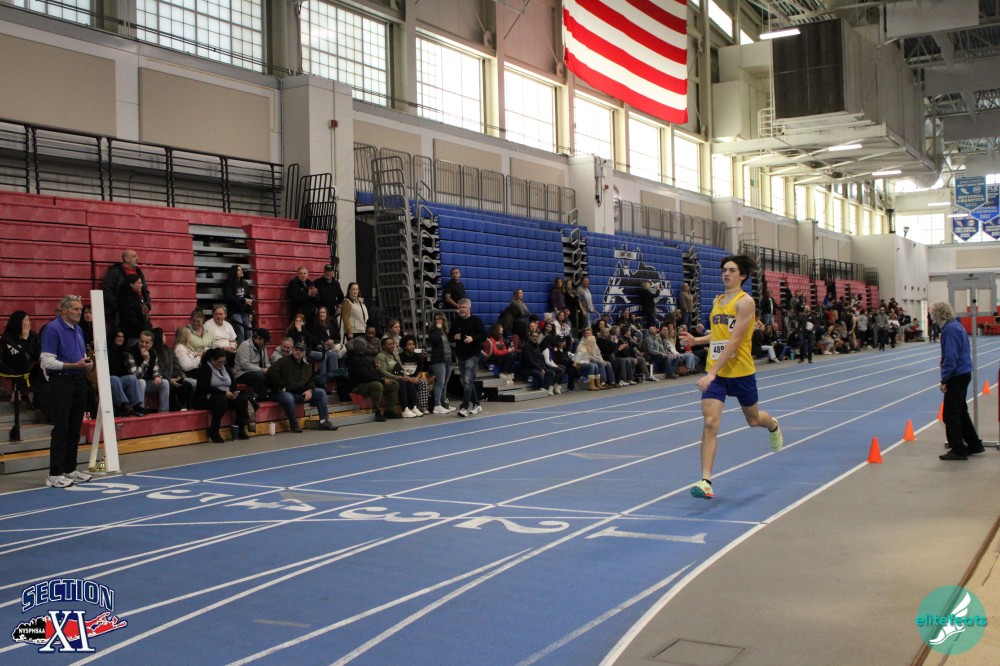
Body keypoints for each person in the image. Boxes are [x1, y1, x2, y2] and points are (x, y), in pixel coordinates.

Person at [679, 255, 782, 500]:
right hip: (717, 374)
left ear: (742, 275)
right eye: (724, 270)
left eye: (732, 270)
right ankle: (706, 481)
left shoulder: (745, 302)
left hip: (741, 372)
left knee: (753, 420)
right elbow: (719, 335)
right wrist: (697, 340)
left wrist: (711, 372)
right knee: (710, 423)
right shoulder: (717, 301)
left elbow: (735, 340)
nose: (726, 274)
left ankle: (772, 424)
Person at [38, 295, 93, 488]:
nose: (79, 312)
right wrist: (72, 365)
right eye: (75, 309)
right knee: (61, 427)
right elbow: (46, 361)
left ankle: (70, 468)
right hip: (61, 382)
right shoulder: (53, 329)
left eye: (80, 309)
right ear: (63, 310)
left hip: (78, 380)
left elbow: (80, 354)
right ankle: (55, 473)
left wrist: (85, 362)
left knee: (75, 427)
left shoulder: (78, 329)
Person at [932, 301, 985, 460]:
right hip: (963, 373)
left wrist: (944, 379)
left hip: (957, 375)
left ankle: (958, 449)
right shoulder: (956, 326)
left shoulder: (949, 330)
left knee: (950, 414)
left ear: (938, 314)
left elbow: (951, 357)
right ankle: (974, 444)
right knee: (961, 411)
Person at [266, 340, 338, 433]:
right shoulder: (283, 361)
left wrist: (310, 390)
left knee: (321, 393)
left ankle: (324, 421)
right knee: (288, 398)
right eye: (296, 349)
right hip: (282, 393)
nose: (298, 352)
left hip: (300, 393)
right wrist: (282, 386)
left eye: (301, 350)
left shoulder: (306, 366)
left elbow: (311, 381)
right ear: (293, 350)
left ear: (304, 353)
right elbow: (271, 373)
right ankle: (294, 424)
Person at [192, 348, 253, 442]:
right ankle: (214, 431)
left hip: (226, 395)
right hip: (207, 398)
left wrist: (234, 392)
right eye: (219, 362)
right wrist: (223, 393)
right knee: (220, 400)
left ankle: (240, 429)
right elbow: (204, 388)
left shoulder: (226, 368)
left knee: (242, 399)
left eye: (223, 362)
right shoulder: (205, 369)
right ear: (212, 359)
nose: (221, 364)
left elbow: (233, 383)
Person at [344, 337, 399, 422]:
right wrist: (382, 380)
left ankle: (390, 410)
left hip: (367, 382)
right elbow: (365, 377)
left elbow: (371, 373)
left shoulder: (363, 358)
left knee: (394, 384)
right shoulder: (355, 360)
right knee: (377, 385)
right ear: (363, 347)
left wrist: (380, 375)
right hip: (358, 386)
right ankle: (377, 412)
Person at [452, 298, 486, 417]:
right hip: (461, 354)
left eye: (463, 307)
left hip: (473, 354)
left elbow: (484, 335)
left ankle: (464, 406)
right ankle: (477, 403)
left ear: (469, 308)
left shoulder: (476, 320)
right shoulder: (456, 321)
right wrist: (454, 337)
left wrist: (473, 338)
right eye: (459, 307)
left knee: (467, 380)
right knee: (466, 381)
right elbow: (450, 335)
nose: (461, 310)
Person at [102, 249, 149, 327]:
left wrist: (148, 304)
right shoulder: (115, 271)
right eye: (134, 256)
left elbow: (145, 289)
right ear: (127, 259)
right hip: (124, 311)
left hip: (140, 309)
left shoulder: (139, 272)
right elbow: (107, 290)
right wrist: (118, 306)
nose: (138, 258)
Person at [127, 330, 170, 412]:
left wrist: (157, 376)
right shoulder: (130, 352)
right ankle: (140, 410)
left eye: (147, 342)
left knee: (165, 383)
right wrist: (146, 360)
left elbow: (156, 370)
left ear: (151, 344)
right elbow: (135, 376)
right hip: (133, 385)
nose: (143, 344)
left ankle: (164, 411)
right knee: (141, 382)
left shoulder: (153, 353)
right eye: (141, 341)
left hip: (147, 383)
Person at [152, 327, 193, 411]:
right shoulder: (154, 352)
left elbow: (175, 365)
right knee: (170, 386)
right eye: (163, 335)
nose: (165, 337)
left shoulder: (169, 350)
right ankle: (177, 408)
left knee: (186, 385)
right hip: (163, 379)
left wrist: (177, 375)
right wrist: (169, 379)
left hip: (173, 377)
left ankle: (185, 407)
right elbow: (157, 370)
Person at [427, 312, 455, 414]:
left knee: (445, 383)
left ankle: (444, 403)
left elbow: (448, 344)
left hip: (448, 357)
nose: (438, 320)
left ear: (443, 320)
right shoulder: (433, 330)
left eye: (440, 318)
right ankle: (437, 405)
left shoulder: (446, 331)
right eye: (436, 319)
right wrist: (438, 329)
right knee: (440, 382)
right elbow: (434, 340)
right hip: (438, 359)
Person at [233, 327, 271, 398]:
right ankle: (257, 398)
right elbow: (245, 365)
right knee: (259, 377)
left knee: (273, 374)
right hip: (242, 373)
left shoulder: (263, 346)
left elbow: (266, 362)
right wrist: (261, 370)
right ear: (258, 338)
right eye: (265, 341)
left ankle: (270, 395)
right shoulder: (245, 345)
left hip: (257, 371)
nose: (266, 344)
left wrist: (270, 369)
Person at [223, 265, 254, 343]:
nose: (241, 271)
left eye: (241, 269)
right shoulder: (229, 284)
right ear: (234, 272)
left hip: (245, 311)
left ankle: (250, 347)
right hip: (235, 311)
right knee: (240, 330)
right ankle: (241, 348)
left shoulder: (244, 283)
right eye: (238, 270)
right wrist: (243, 300)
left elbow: (249, 298)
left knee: (249, 330)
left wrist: (250, 312)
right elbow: (229, 297)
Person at [118, 274, 152, 345]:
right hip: (133, 335)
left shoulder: (138, 297)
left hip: (142, 334)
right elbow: (130, 318)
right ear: (131, 284)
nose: (142, 285)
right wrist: (144, 327)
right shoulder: (126, 299)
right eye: (139, 283)